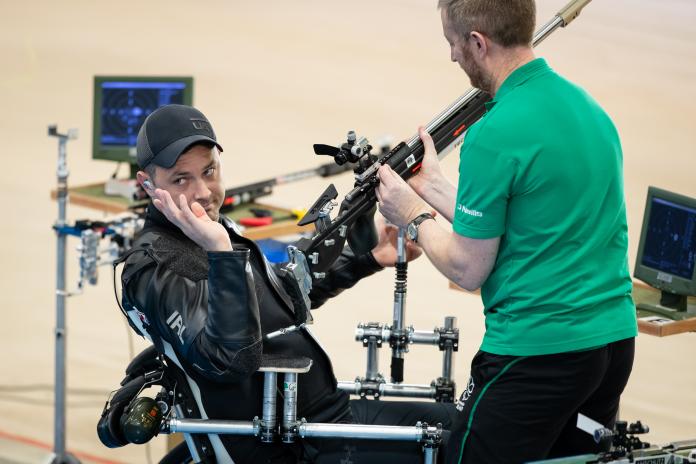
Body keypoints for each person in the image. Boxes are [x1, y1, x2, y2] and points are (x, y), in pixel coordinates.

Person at [375, 0, 638, 462]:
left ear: (477, 41)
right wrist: (432, 187)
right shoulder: (589, 110)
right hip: (612, 347)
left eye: (453, 43)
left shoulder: (493, 132)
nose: (453, 56)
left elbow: (468, 266)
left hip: (539, 353)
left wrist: (412, 214)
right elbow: (524, 223)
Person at [118, 104, 456, 463]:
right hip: (292, 447)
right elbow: (229, 360)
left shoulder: (213, 230)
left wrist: (368, 258)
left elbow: (281, 297)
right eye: (181, 180)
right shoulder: (152, 267)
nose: (204, 192)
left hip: (319, 420)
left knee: (466, 427)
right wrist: (220, 251)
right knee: (465, 444)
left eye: (209, 171)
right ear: (147, 184)